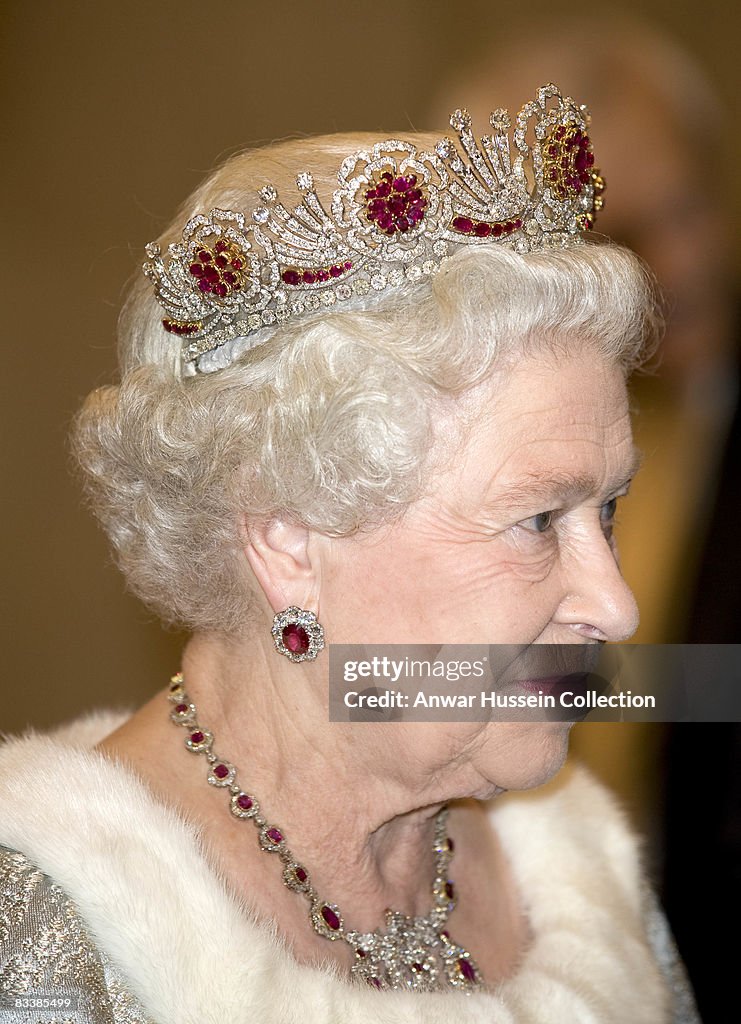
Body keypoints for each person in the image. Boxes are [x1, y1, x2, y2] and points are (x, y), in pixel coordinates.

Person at [0, 86, 699, 1022]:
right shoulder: (57, 931)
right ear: (286, 536)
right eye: (538, 521)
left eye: (606, 510)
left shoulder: (580, 880)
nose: (616, 609)